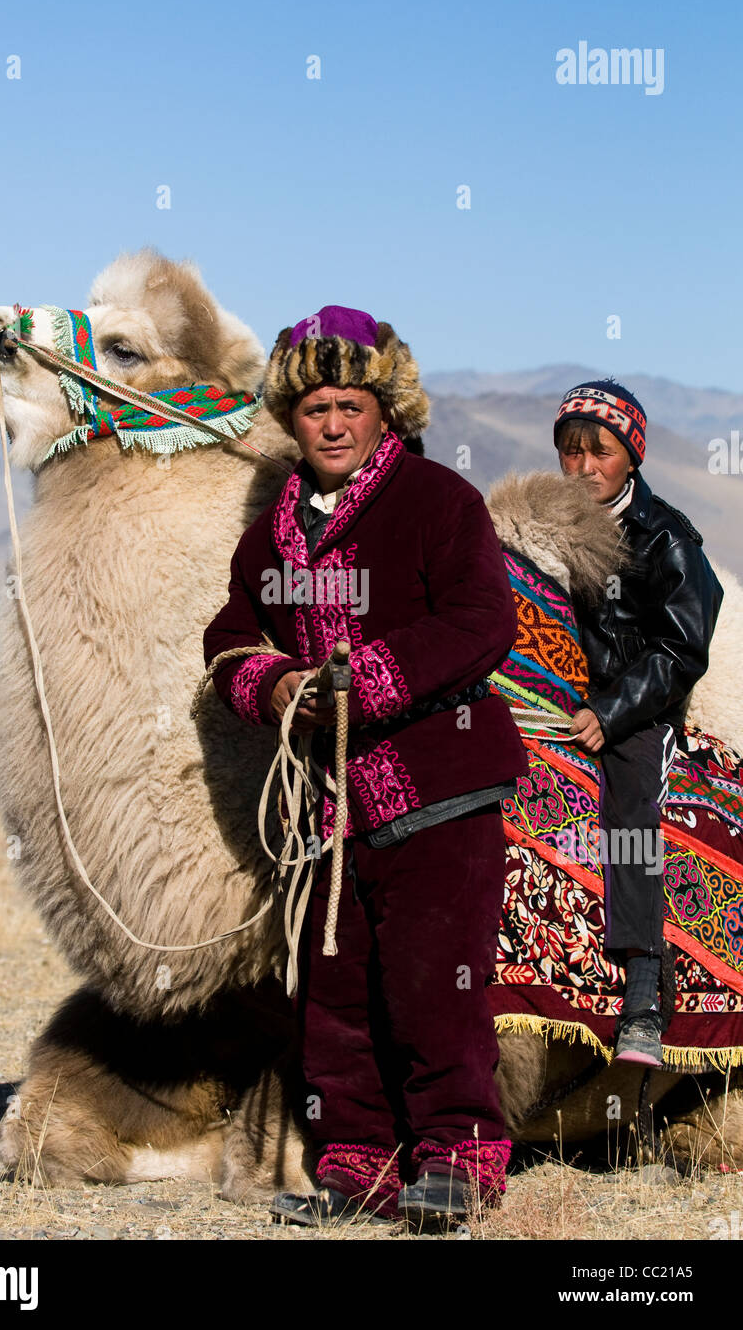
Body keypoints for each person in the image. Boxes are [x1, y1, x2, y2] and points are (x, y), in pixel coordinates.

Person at [203, 306, 529, 1231]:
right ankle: (358, 1173)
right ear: (291, 419)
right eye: (314, 409)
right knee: (336, 998)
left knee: (436, 986)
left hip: (439, 786)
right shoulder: (275, 535)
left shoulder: (438, 503)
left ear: (384, 408)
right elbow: (230, 636)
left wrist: (365, 683)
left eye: (350, 404)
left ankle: (458, 1166)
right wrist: (273, 687)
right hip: (328, 804)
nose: (334, 424)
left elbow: (480, 624)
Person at [555, 379, 723, 1065]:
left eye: (601, 451)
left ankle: (645, 989)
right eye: (571, 451)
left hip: (636, 708)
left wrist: (612, 710)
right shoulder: (548, 524)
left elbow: (683, 646)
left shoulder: (667, 538)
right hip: (558, 692)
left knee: (631, 801)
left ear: (633, 457)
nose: (585, 467)